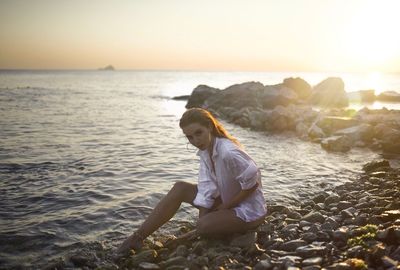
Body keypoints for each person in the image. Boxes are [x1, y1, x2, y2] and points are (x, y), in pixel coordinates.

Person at [116, 107, 266, 255]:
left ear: (210, 126)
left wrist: (222, 209)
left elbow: (253, 184)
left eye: (198, 133)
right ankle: (138, 237)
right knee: (180, 188)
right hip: (226, 201)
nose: (195, 140)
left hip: (249, 211)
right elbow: (207, 189)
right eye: (190, 137)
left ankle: (199, 231)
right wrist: (205, 217)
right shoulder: (206, 150)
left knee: (203, 225)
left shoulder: (228, 152)